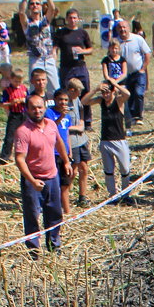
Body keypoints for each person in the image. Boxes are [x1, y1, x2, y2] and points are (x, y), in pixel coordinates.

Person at [13, 94, 69, 256]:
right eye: (33, 108)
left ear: (45, 108)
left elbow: (59, 142)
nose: (37, 111)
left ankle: (54, 245)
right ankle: (34, 251)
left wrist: (65, 161)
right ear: (27, 110)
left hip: (52, 177)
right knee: (32, 216)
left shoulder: (51, 124)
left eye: (40, 107)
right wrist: (32, 180)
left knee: (55, 214)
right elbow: (19, 159)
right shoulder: (23, 132)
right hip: (33, 181)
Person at [83, 81, 132, 201]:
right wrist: (95, 89)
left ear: (113, 91)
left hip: (119, 140)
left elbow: (127, 94)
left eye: (107, 92)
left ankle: (126, 194)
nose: (105, 95)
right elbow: (84, 102)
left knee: (125, 169)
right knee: (108, 170)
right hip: (105, 140)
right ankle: (112, 195)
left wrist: (115, 84)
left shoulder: (118, 101)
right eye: (103, 93)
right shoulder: (101, 101)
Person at [55, 8, 94, 128]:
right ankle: (68, 118)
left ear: (78, 19)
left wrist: (83, 51)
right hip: (66, 67)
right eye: (70, 18)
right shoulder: (61, 33)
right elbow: (55, 48)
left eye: (74, 18)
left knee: (85, 91)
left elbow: (91, 49)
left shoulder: (83, 33)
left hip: (80, 67)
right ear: (66, 19)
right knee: (66, 93)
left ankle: (87, 120)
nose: (72, 20)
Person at [19, 0, 60, 91]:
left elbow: (52, 8)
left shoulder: (45, 21)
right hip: (35, 58)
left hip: (49, 57)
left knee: (55, 88)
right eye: (32, 4)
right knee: (35, 88)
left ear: (41, 6)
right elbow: (21, 12)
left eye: (37, 3)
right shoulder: (27, 23)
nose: (35, 6)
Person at [116, 19, 151, 126]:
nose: (122, 30)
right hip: (124, 75)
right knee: (128, 95)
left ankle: (139, 116)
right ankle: (131, 117)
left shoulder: (137, 39)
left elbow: (147, 53)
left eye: (124, 27)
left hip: (138, 72)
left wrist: (143, 68)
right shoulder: (117, 42)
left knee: (139, 93)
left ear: (128, 28)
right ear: (117, 29)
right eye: (120, 28)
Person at [46, 89, 75, 217]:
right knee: (55, 183)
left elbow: (67, 133)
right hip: (53, 152)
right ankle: (56, 210)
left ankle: (67, 210)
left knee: (65, 182)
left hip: (64, 153)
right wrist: (61, 116)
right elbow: (51, 127)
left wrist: (70, 150)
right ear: (55, 100)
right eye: (60, 100)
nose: (63, 102)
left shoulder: (68, 116)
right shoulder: (49, 112)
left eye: (65, 100)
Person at [65, 78, 90, 210]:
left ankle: (82, 196)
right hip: (72, 141)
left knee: (84, 168)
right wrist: (76, 128)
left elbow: (81, 114)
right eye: (77, 91)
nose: (79, 94)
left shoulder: (77, 100)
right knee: (72, 171)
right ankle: (65, 196)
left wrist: (81, 124)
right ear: (71, 90)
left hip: (82, 140)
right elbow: (62, 126)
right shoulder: (64, 103)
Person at [0, 63, 27, 162]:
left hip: (24, 114)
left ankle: (25, 154)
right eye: (15, 81)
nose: (17, 83)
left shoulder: (24, 89)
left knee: (25, 136)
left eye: (19, 81)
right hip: (14, 115)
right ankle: (5, 157)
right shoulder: (7, 91)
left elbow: (30, 99)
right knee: (10, 136)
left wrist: (24, 100)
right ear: (11, 79)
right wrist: (11, 103)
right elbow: (1, 104)